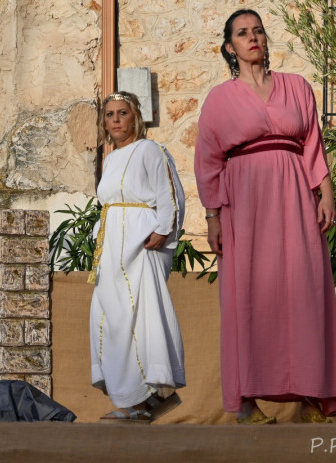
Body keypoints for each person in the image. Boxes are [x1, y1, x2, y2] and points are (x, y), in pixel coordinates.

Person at [194, 9, 336, 424]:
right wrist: (213, 217)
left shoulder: (297, 87)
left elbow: (313, 144)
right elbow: (208, 160)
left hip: (296, 195)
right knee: (249, 293)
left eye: (258, 30)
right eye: (242, 33)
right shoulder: (219, 100)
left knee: (304, 286)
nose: (253, 38)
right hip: (243, 202)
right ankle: (246, 401)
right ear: (230, 47)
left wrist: (327, 192)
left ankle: (313, 395)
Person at [89, 91, 186, 424]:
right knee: (110, 317)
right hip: (112, 248)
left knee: (139, 318)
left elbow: (169, 193)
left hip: (142, 246)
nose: (115, 120)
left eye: (123, 113)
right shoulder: (110, 158)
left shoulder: (150, 150)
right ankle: (132, 397)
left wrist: (164, 230)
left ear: (136, 117)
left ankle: (148, 397)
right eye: (110, 114)